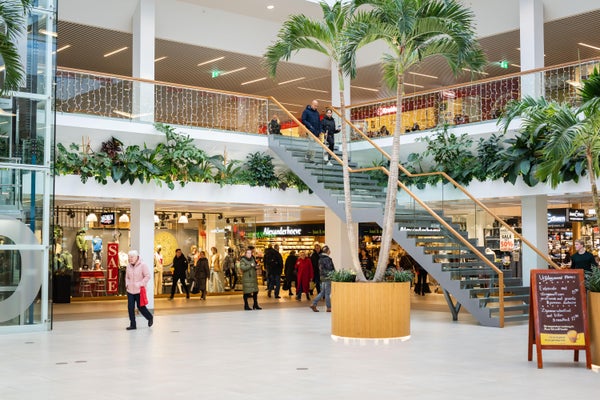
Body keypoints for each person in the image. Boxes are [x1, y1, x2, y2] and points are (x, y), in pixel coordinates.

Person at [125, 250, 153, 330]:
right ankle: (133, 325)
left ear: (137, 257)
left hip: (139, 290)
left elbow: (147, 276)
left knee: (141, 307)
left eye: (132, 257)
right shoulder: (128, 266)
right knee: (130, 307)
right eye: (129, 257)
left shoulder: (143, 265)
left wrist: (141, 283)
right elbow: (127, 277)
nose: (130, 259)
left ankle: (150, 317)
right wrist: (127, 284)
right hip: (130, 290)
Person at [310, 245, 335, 312]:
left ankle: (314, 304)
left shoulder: (320, 258)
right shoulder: (327, 259)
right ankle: (329, 307)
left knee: (323, 292)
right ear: (327, 251)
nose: (330, 251)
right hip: (328, 277)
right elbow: (329, 269)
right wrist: (333, 275)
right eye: (329, 250)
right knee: (327, 293)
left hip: (322, 277)